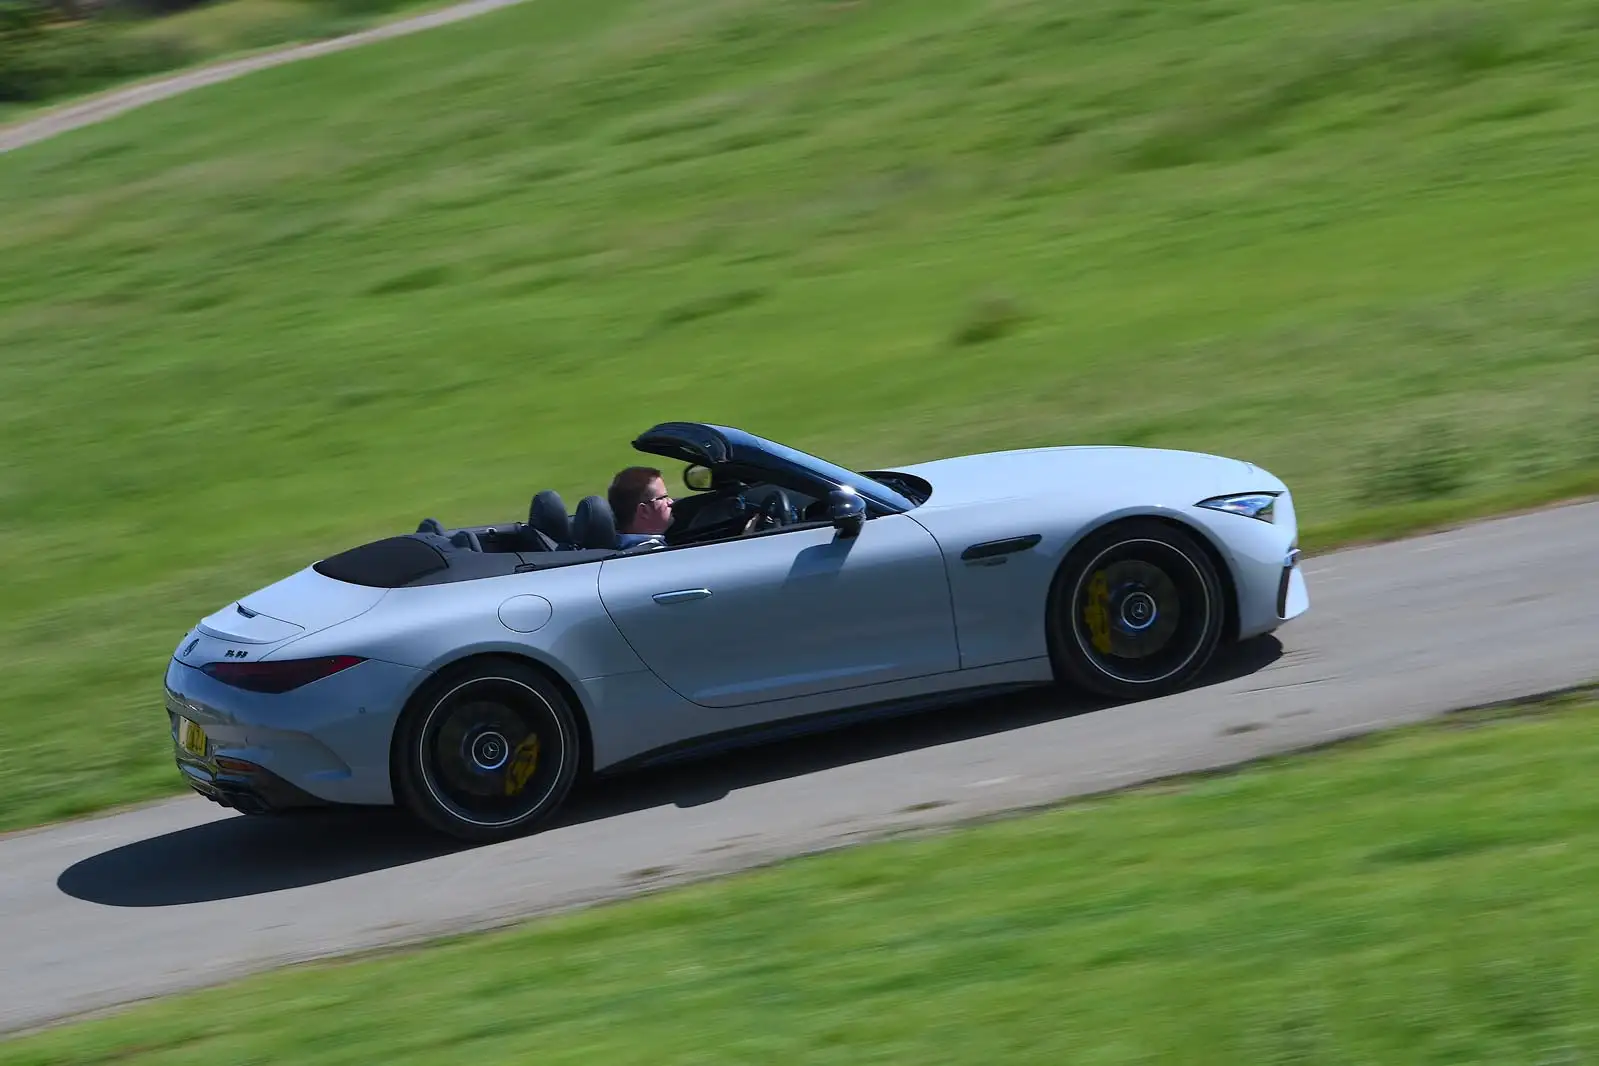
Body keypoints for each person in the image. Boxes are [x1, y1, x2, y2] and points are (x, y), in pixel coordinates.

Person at [608, 465, 673, 547]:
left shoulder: (615, 545)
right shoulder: (655, 553)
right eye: (663, 498)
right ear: (644, 511)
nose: (670, 502)